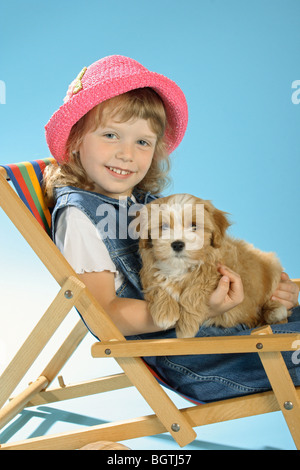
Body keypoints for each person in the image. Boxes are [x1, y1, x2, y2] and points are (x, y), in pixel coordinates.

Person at [44, 55, 299, 403]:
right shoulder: (80, 218)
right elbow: (107, 315)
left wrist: (270, 285)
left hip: (233, 325)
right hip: (199, 356)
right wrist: (199, 309)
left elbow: (212, 253)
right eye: (110, 135)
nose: (126, 154)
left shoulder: (142, 202)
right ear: (75, 139)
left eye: (142, 142)